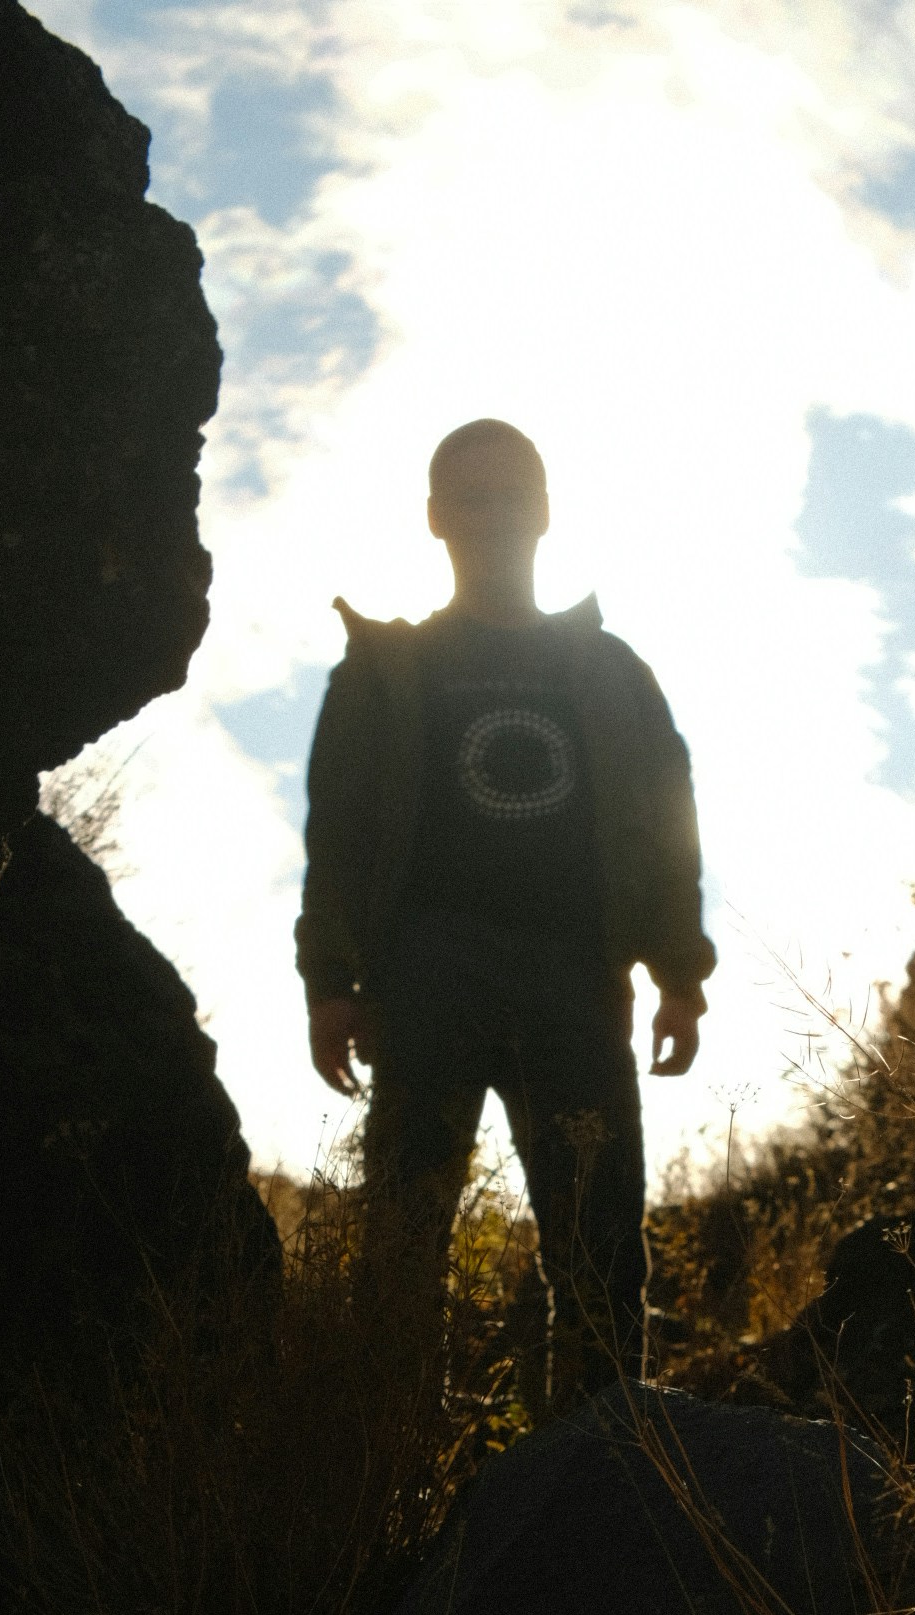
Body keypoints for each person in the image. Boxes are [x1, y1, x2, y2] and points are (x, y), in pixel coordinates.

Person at [296, 417, 713, 1401]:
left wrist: (679, 977)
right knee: (401, 1246)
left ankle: (597, 1489)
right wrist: (330, 982)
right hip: (427, 976)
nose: (491, 516)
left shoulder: (610, 672)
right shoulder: (384, 674)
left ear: (545, 513)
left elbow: (666, 822)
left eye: (510, 496)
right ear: (436, 518)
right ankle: (393, 1490)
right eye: (469, 498)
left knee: (604, 1253)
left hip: (576, 980)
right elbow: (337, 838)